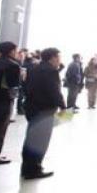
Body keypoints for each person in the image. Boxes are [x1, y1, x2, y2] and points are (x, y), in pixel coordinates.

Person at [21, 48, 66, 180]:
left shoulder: (34, 68)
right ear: (53, 58)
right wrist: (63, 107)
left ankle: (26, 168)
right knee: (40, 141)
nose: (60, 60)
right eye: (59, 57)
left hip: (32, 108)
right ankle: (34, 169)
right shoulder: (51, 71)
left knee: (31, 138)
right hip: (44, 110)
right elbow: (54, 91)